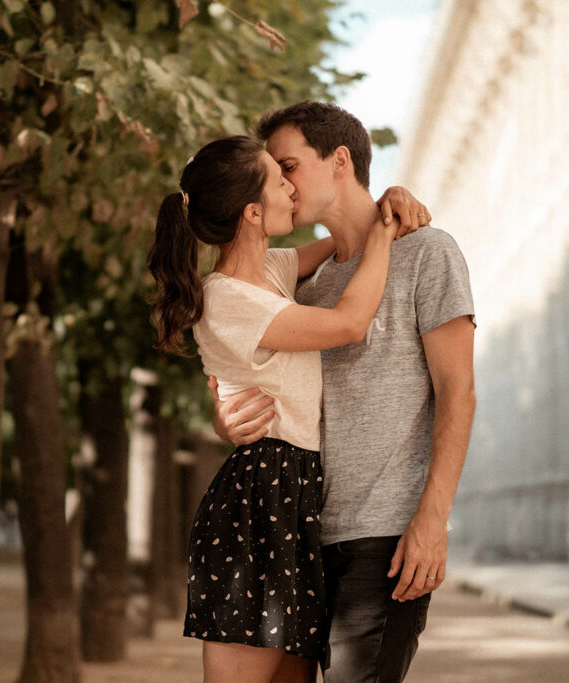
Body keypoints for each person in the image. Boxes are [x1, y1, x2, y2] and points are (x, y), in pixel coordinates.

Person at [209, 101, 476, 683]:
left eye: (288, 166)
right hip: (300, 533)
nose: (282, 185)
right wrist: (225, 417)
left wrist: (432, 518)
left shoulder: (428, 253)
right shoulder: (301, 283)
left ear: (338, 161)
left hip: (384, 537)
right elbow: (260, 384)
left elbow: (458, 393)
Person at [148, 135, 429, 683]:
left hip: (298, 498)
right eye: (280, 178)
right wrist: (387, 231)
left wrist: (386, 200)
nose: (290, 187)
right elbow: (349, 322)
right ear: (254, 212)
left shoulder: (273, 273)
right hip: (258, 500)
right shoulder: (225, 298)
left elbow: (342, 240)